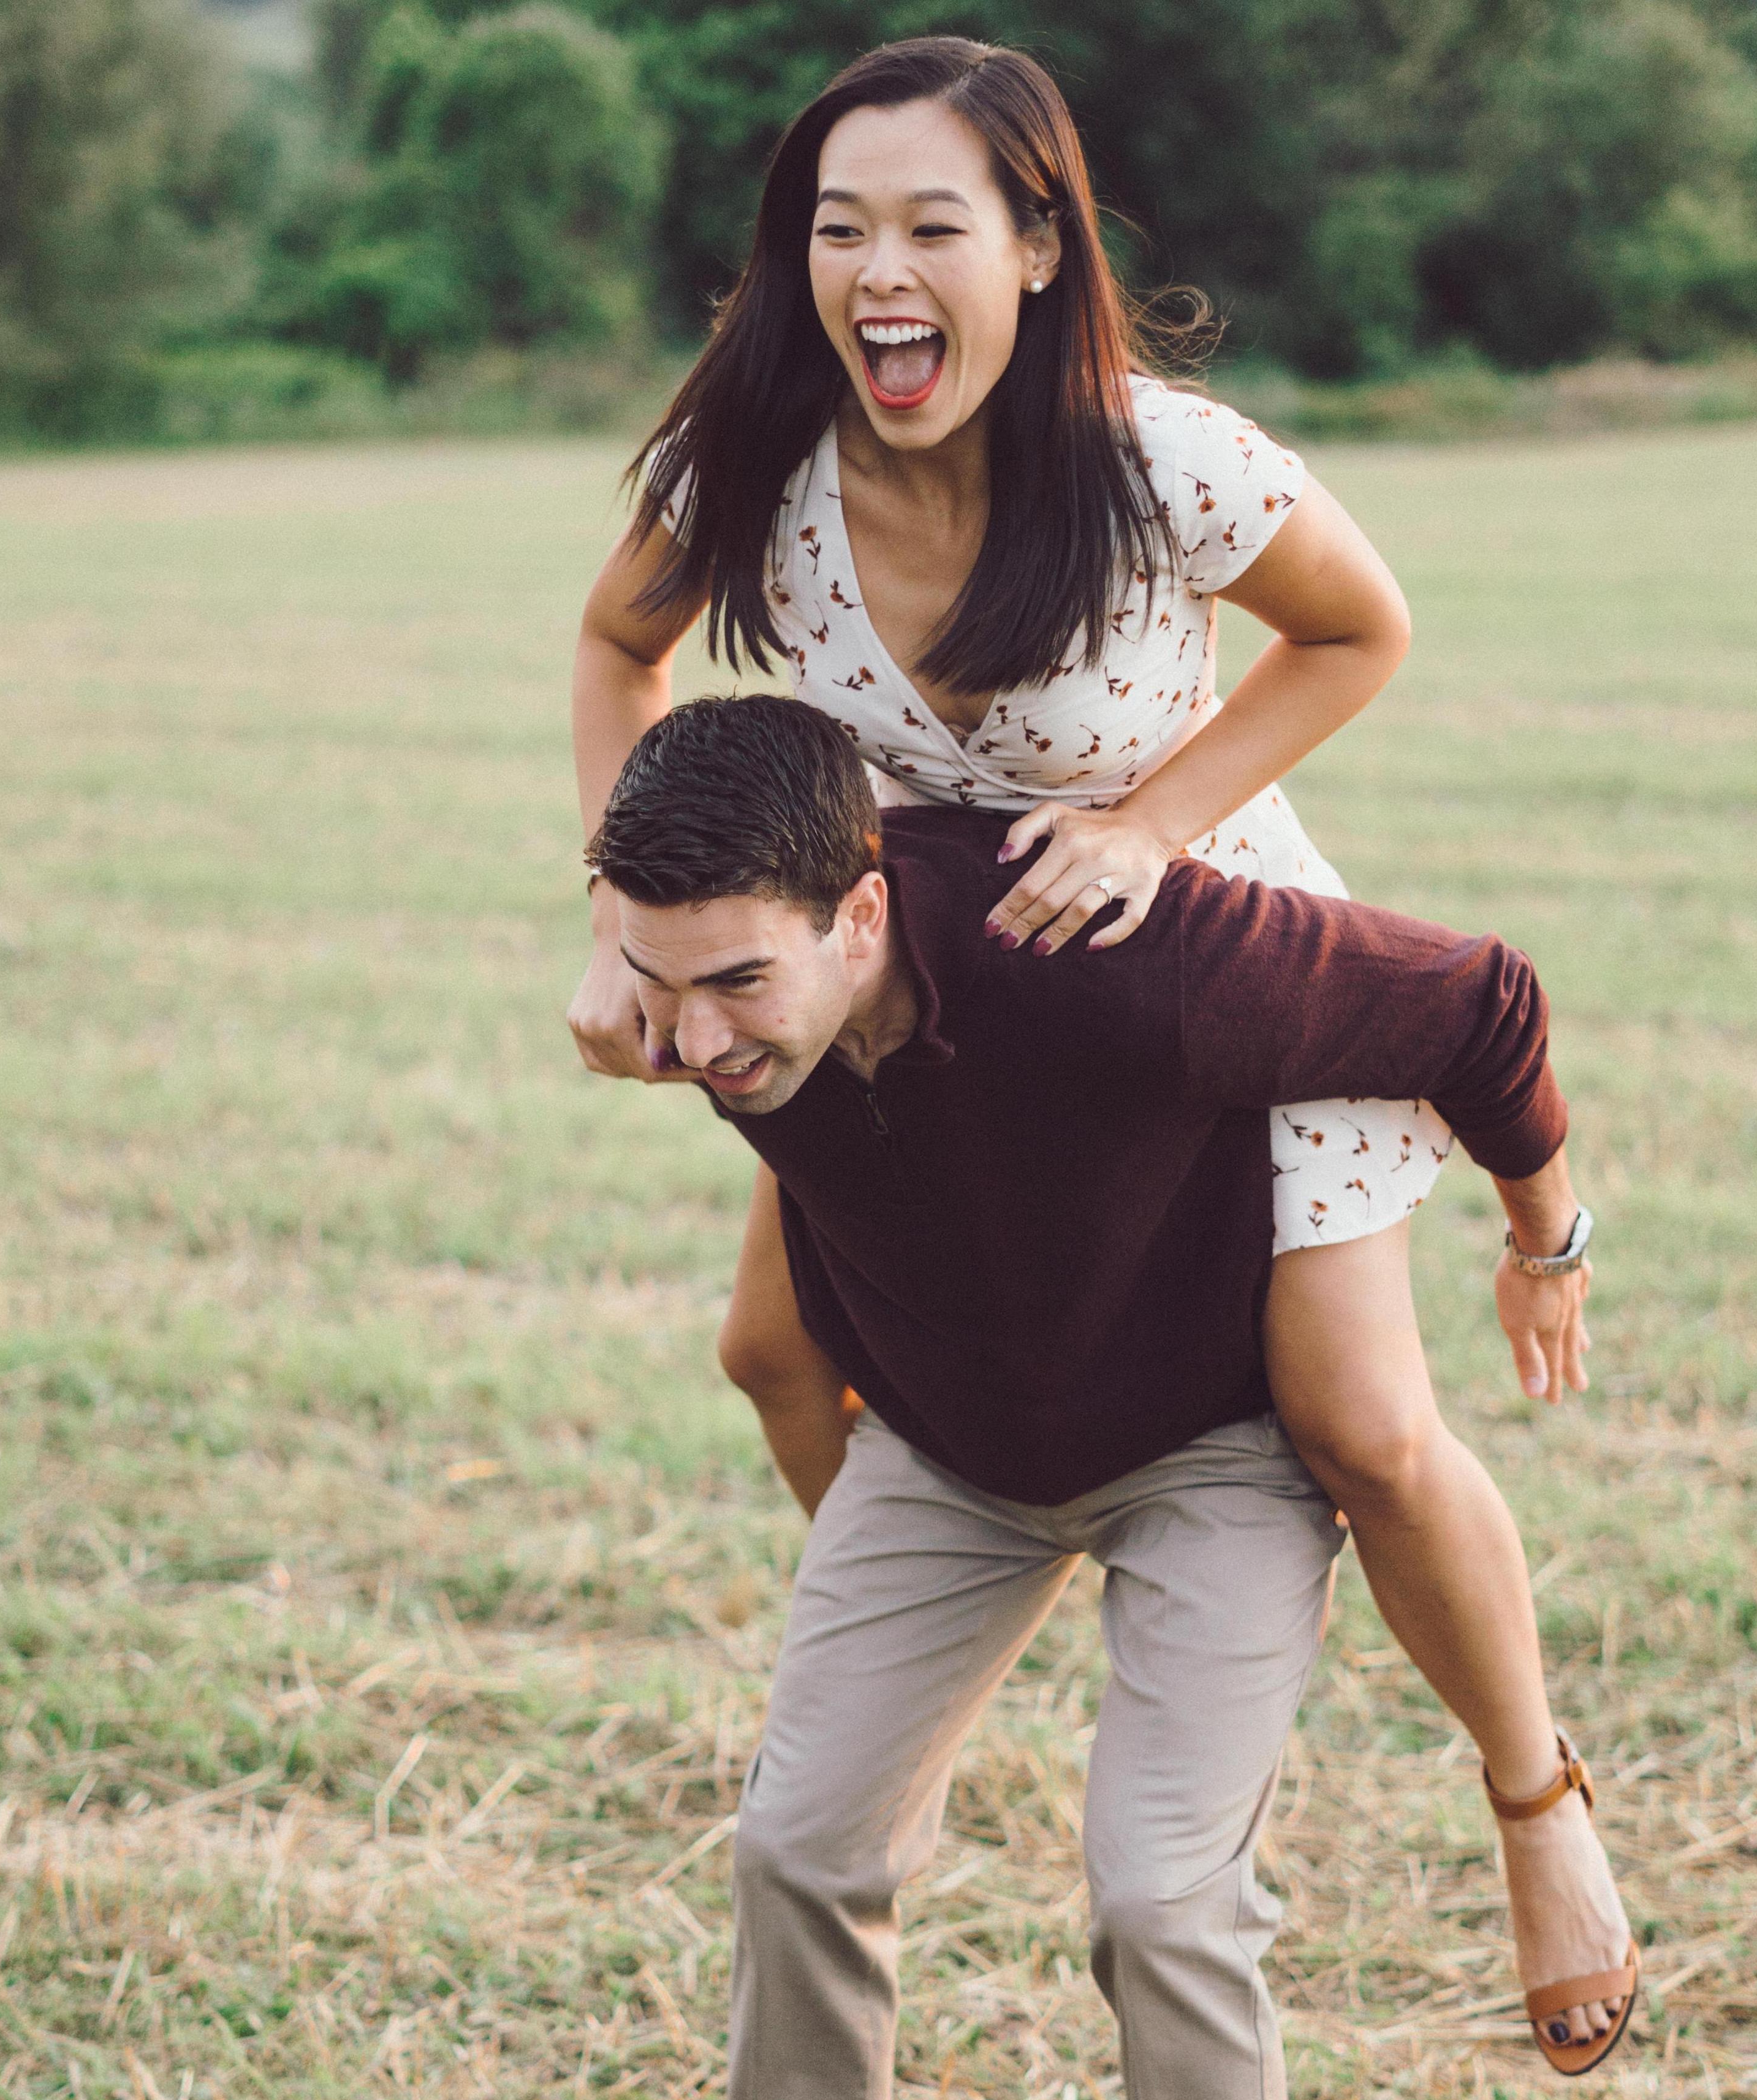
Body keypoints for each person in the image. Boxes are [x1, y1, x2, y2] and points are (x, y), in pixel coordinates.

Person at [566, 33, 1632, 2058]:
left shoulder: (1157, 459)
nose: (880, 271)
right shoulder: (757, 459)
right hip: (900, 960)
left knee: (1355, 1422)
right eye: (839, 229)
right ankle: (938, 1649)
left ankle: (1534, 1794)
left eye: (932, 227)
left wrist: (1150, 819)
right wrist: (618, 927)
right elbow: (617, 647)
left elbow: (1359, 627)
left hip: (1179, 943)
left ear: (1039, 247)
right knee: (774, 1348)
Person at [588, 694, 1638, 2093]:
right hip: (940, 1451)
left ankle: (1539, 1796)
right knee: (795, 1848)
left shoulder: (1115, 957)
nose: (696, 1042)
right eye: (658, 982)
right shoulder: (676, 996)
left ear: (860, 914)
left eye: (736, 983)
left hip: (1210, 1448)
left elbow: (1477, 1002)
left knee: (1160, 1902)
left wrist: (1546, 1244)